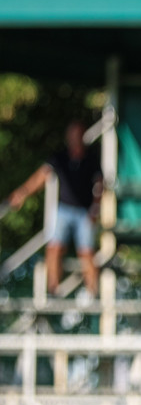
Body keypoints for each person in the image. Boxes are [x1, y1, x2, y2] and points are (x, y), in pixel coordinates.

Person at [6, 120, 102, 296]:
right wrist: (22, 193)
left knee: (86, 251)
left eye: (77, 134)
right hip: (63, 210)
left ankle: (92, 294)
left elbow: (99, 185)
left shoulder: (91, 158)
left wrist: (95, 210)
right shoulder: (60, 157)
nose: (74, 138)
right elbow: (41, 176)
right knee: (54, 248)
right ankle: (53, 291)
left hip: (85, 213)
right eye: (71, 135)